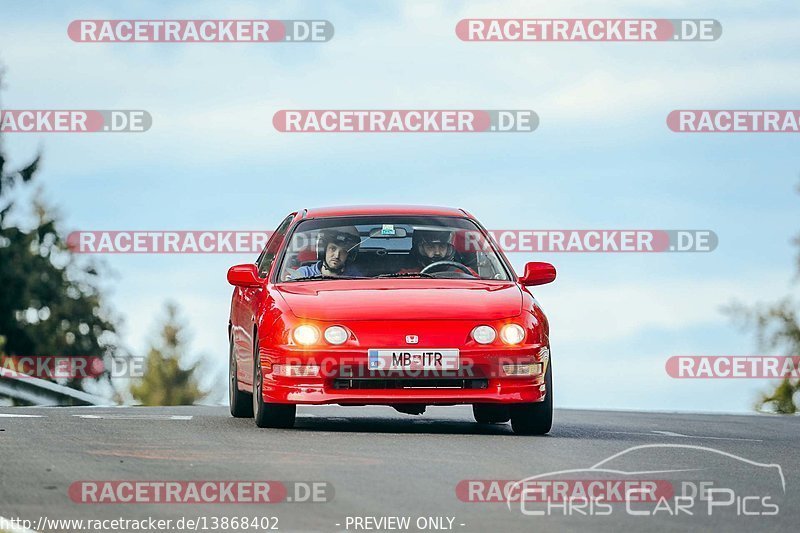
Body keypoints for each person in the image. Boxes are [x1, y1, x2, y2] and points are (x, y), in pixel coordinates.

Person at [292, 226, 363, 278]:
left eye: (344, 251)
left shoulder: (355, 278)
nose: (337, 255)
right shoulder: (303, 274)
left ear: (349, 255)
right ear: (324, 250)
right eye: (333, 249)